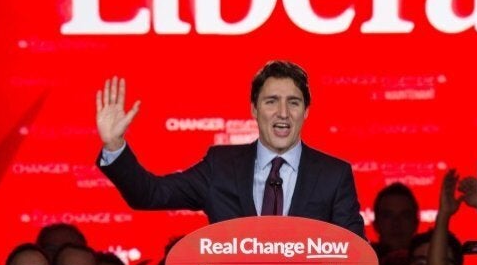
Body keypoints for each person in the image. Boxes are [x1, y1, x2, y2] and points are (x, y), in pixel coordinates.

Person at [95, 60, 365, 238]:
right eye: (271, 101)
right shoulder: (221, 167)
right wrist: (114, 145)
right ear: (254, 109)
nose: (283, 113)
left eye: (293, 103)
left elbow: (356, 257)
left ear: (306, 111)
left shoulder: (334, 174)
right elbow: (150, 194)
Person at [371, 182, 420, 263]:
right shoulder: (359, 264)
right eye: (388, 216)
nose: (396, 223)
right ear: (376, 224)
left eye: (405, 216)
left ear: (415, 223)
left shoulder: (431, 263)